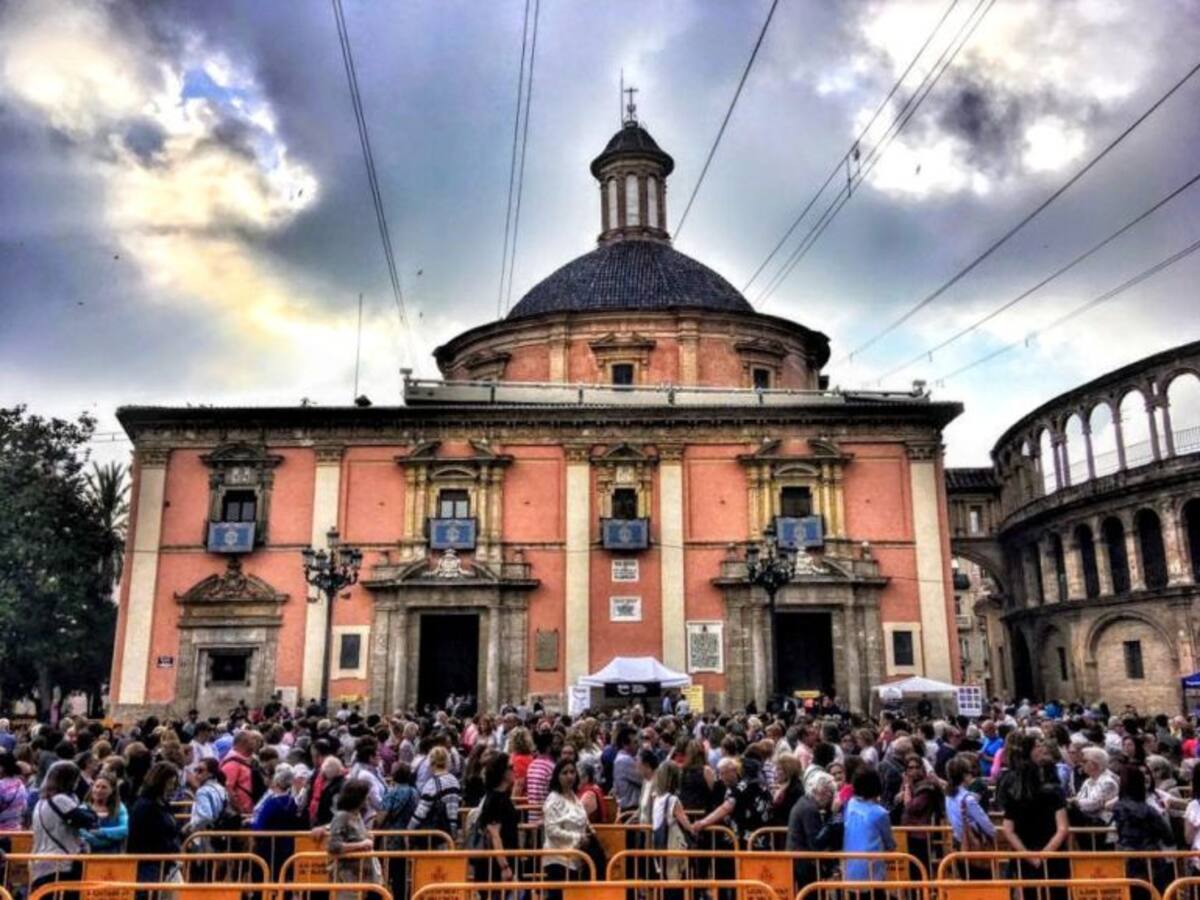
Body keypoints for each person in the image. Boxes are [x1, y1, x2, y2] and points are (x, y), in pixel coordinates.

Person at [997, 735, 1069, 884]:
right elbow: (1062, 828)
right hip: (1051, 855)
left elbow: (1008, 829)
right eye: (1037, 745)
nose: (1042, 748)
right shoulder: (1053, 791)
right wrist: (1042, 855)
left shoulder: (1014, 791)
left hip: (1029, 854)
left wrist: (1029, 855)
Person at [31, 761, 98, 891]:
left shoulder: (40, 803)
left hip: (40, 863)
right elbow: (88, 820)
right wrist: (89, 809)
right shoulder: (61, 800)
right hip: (61, 864)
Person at [1112, 765, 1173, 891]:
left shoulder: (1118, 807)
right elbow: (1168, 836)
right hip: (1151, 862)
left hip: (1127, 858)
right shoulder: (1149, 811)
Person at [126, 761, 183, 884]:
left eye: (174, 784)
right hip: (149, 866)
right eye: (170, 783)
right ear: (160, 782)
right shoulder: (144, 806)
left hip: (166, 864)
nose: (172, 788)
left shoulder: (162, 804)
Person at [543, 758, 591, 893]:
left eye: (572, 772)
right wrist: (577, 837)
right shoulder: (553, 800)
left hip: (575, 858)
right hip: (557, 859)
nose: (569, 776)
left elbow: (583, 819)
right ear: (557, 776)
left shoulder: (575, 797)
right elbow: (551, 830)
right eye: (564, 773)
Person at [328, 779, 381, 899]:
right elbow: (333, 846)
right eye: (365, 797)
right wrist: (361, 845)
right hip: (350, 877)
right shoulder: (342, 817)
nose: (367, 800)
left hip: (365, 875)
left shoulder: (357, 815)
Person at [842, 767, 896, 882]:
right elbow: (889, 843)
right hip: (872, 872)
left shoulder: (850, 804)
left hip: (850, 869)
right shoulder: (880, 813)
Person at [474, 752, 520, 883]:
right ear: (502, 771)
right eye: (510, 767)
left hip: (506, 858)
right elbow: (494, 835)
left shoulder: (502, 796)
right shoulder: (495, 799)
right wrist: (504, 867)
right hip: (497, 865)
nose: (514, 770)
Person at [786, 771, 836, 890]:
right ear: (820, 791)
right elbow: (816, 842)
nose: (830, 798)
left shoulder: (804, 802)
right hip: (804, 864)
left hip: (799, 860)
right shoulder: (810, 809)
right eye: (829, 793)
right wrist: (833, 816)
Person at [650, 761, 697, 886]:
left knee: (665, 877)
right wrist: (695, 829)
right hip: (673, 841)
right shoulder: (673, 800)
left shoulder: (656, 798)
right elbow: (685, 822)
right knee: (675, 877)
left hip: (658, 841)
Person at [252, 765, 301, 879]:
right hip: (287, 845)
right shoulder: (292, 802)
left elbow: (259, 825)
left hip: (268, 846)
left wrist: (250, 824)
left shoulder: (271, 803)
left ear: (276, 783)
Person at [409, 746, 460, 839]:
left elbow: (421, 812)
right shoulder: (454, 781)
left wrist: (409, 829)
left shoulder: (431, 784)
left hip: (434, 834)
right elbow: (453, 809)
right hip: (449, 831)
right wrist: (453, 830)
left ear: (431, 763)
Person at [80, 774, 129, 853]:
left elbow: (125, 829)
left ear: (112, 790)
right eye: (97, 786)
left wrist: (100, 832)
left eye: (104, 787)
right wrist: (105, 840)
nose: (99, 790)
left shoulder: (119, 808)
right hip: (89, 857)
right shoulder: (83, 808)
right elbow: (81, 832)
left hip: (113, 857)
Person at [0, 752, 29, 850]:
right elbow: (24, 808)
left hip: (1, 834)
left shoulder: (1, 786)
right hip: (16, 833)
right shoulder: (20, 784)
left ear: (2, 768)